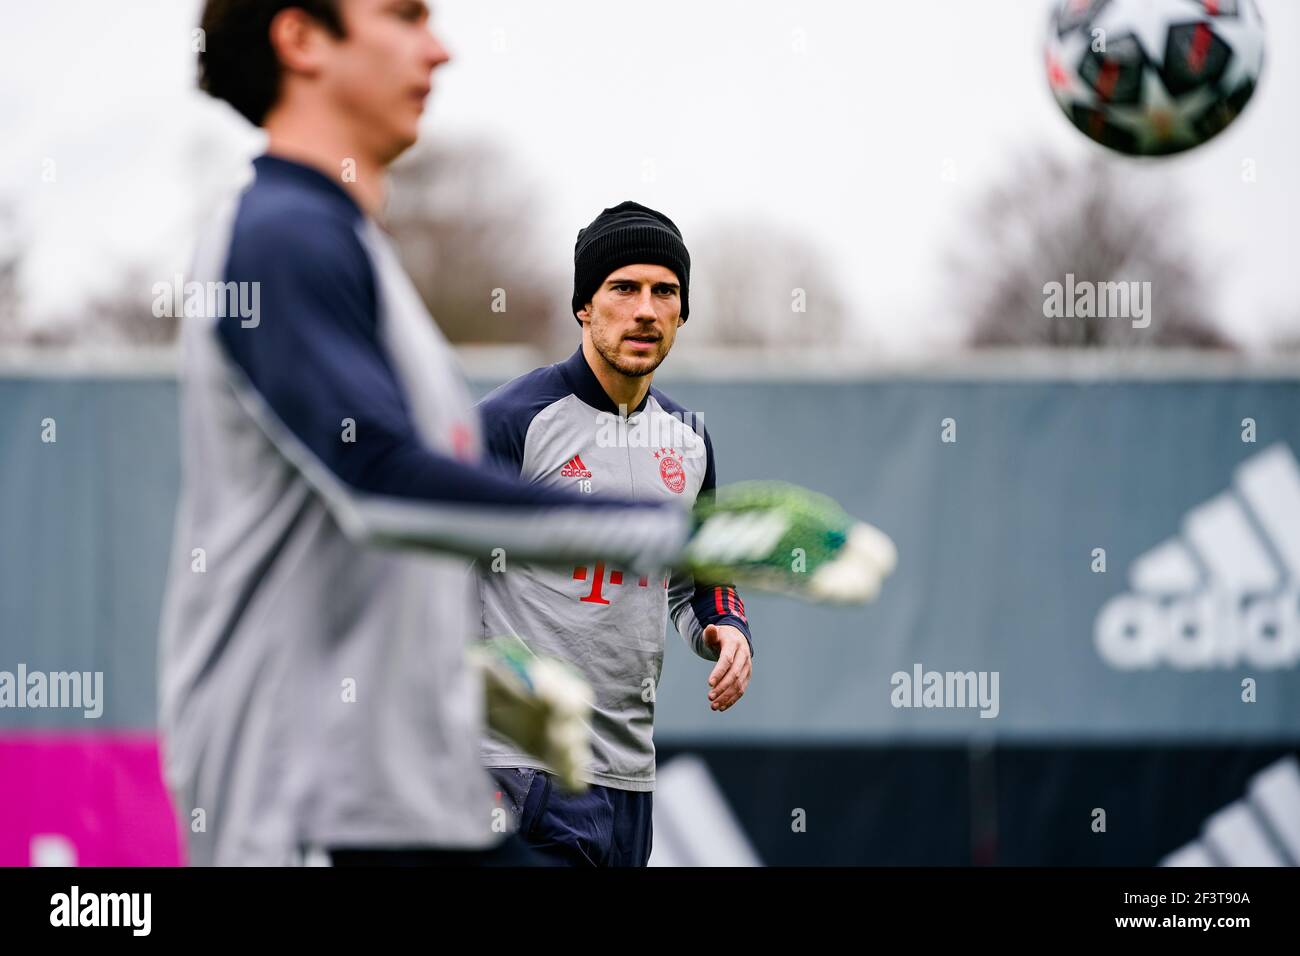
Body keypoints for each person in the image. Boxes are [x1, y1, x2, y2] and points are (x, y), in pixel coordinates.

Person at [160, 0, 687, 866]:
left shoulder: (344, 245)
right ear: (300, 40)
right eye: (403, 15)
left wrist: (478, 680)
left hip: (398, 802)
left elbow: (374, 547)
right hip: (300, 810)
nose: (438, 49)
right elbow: (380, 482)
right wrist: (666, 532)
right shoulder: (282, 236)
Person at [476, 202, 754, 867]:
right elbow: (429, 576)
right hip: (523, 770)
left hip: (630, 779)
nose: (646, 309)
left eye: (665, 292)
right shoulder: (512, 422)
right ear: (584, 306)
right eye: (623, 288)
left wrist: (728, 627)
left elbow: (697, 576)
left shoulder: (689, 439)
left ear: (682, 313)